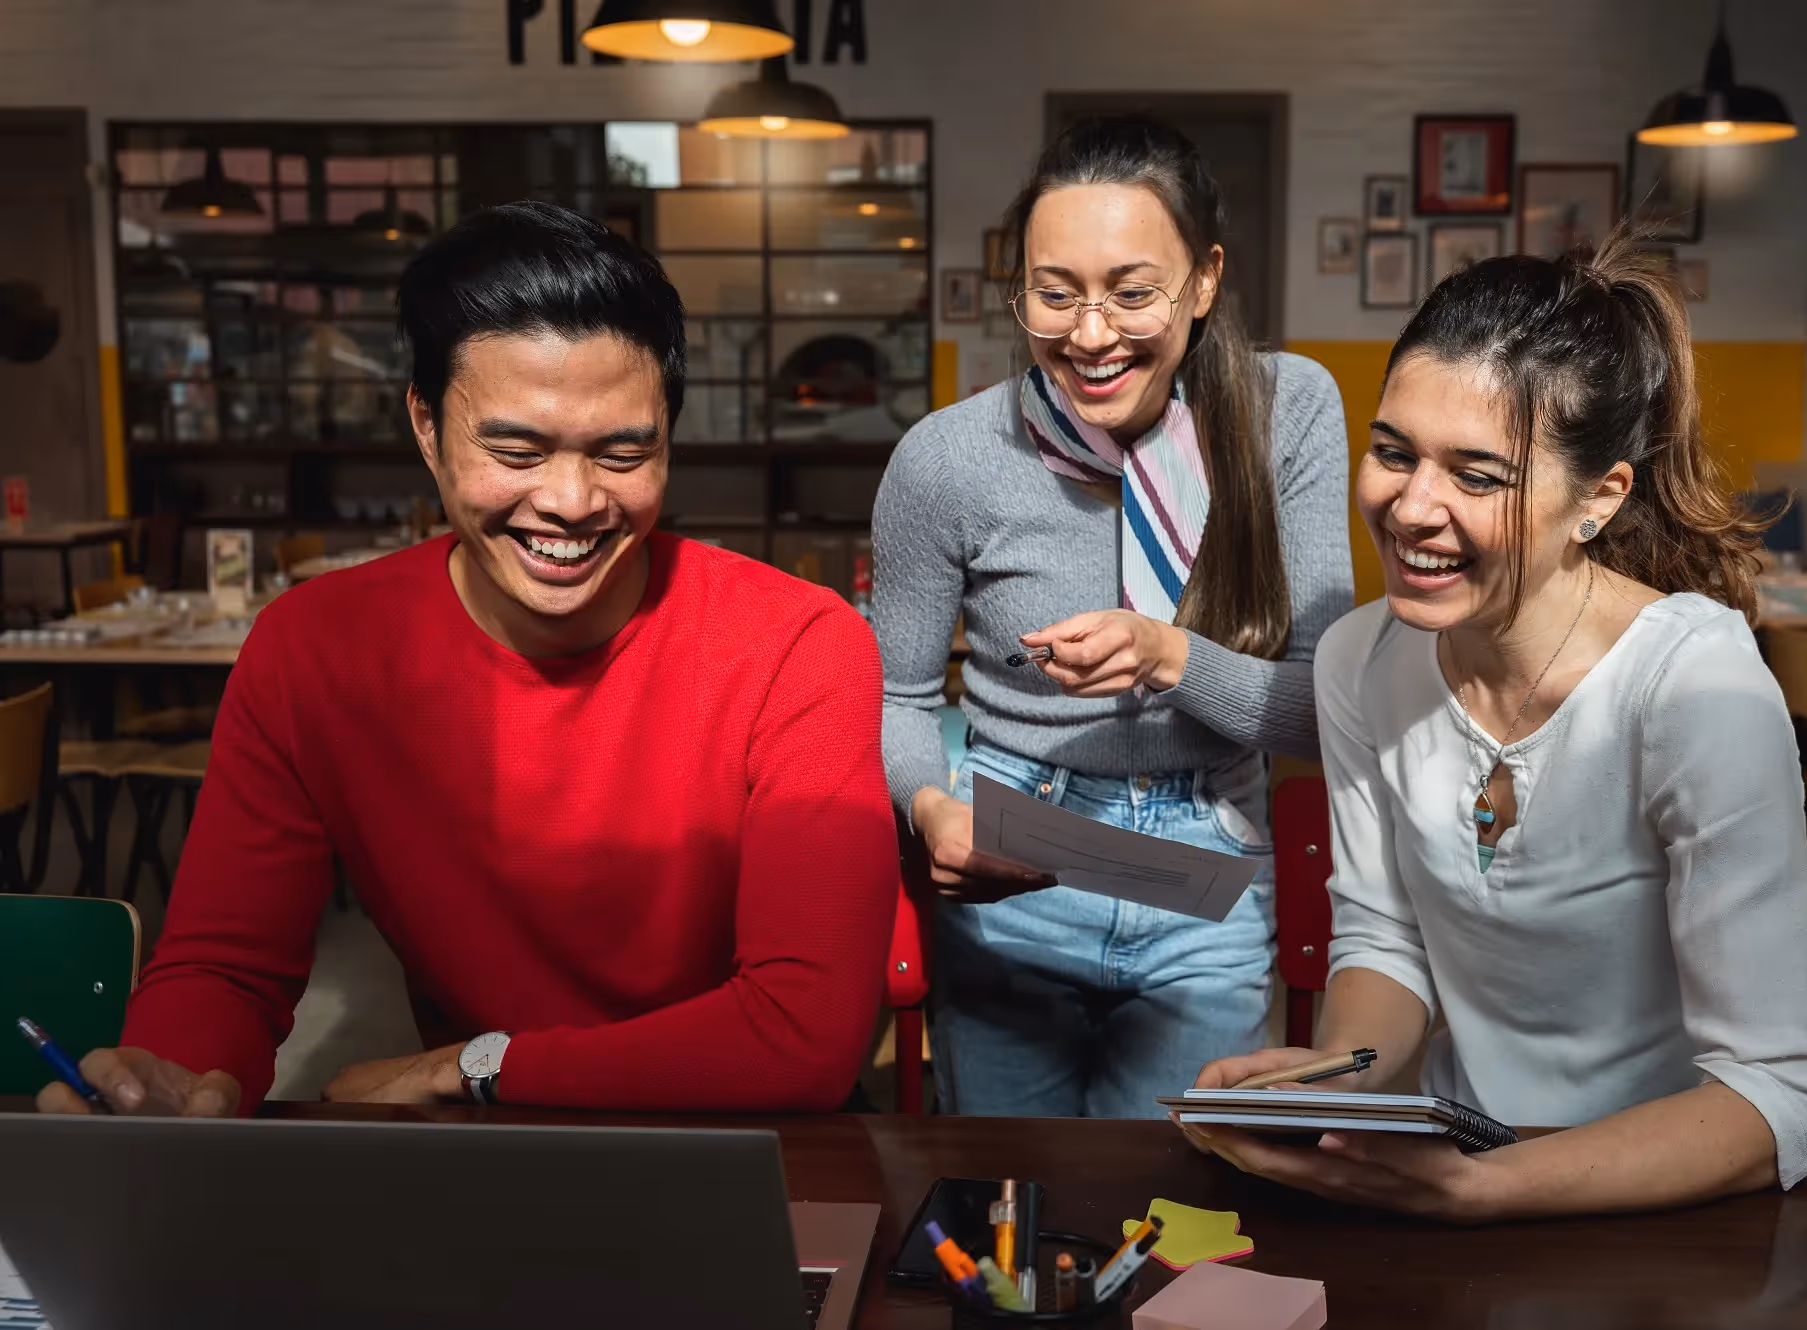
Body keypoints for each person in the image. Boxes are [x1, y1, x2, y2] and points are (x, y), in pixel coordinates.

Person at [36, 202, 897, 1119]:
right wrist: (170, 1076)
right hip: (489, 1157)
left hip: (746, 1145)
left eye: (623, 451)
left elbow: (804, 1033)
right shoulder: (315, 650)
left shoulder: (796, 643)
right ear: (426, 425)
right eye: (516, 449)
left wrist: (477, 1067)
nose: (572, 501)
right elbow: (226, 967)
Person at [1184, 231, 1807, 1219]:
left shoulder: (1694, 686)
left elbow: (1775, 1092)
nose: (1410, 507)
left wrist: (1486, 1189)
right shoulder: (1360, 660)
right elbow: (1386, 941)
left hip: (1660, 1206)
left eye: (1476, 476)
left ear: (1597, 498)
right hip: (1458, 1173)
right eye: (1392, 452)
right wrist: (1333, 1079)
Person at [873, 116, 1352, 1119]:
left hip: (1207, 866)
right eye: (1054, 294)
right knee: (1009, 1220)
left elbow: (1320, 712)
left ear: (1205, 280)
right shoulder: (944, 457)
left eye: (1133, 293)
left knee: (1176, 1219)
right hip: (1014, 858)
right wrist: (929, 812)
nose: (1089, 335)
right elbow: (898, 696)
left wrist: (1170, 655)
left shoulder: (1285, 413)